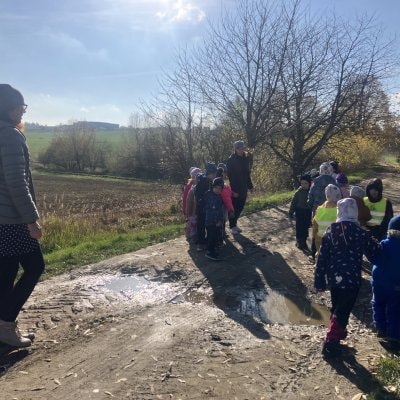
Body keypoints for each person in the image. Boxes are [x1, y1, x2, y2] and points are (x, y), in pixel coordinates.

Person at [0, 84, 45, 347]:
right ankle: (6, 326)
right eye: (21, 106)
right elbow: (17, 183)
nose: (24, 111)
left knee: (5, 275)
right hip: (12, 220)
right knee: (35, 267)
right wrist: (31, 220)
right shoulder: (9, 135)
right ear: (9, 108)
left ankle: (3, 328)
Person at [315, 198, 381, 358]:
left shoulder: (330, 231)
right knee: (343, 310)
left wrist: (319, 280)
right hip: (351, 279)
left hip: (334, 278)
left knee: (337, 307)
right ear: (354, 214)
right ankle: (330, 343)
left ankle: (337, 334)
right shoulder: (359, 232)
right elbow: (374, 251)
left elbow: (321, 257)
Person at [371, 215, 400, 349]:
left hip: (379, 283)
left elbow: (376, 259)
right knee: (395, 310)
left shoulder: (383, 244)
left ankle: (380, 328)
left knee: (378, 305)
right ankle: (394, 336)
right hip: (396, 286)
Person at [226, 140, 253, 235]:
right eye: (239, 148)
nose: (241, 150)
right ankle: (232, 226)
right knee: (234, 207)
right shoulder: (231, 159)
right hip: (235, 187)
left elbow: (247, 173)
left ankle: (235, 223)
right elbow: (229, 175)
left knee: (241, 207)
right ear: (235, 149)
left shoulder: (246, 158)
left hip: (244, 186)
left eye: (242, 148)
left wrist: (250, 186)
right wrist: (233, 190)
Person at [311, 184, 342, 260]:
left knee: (321, 255)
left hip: (320, 238)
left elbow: (315, 225)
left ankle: (319, 264)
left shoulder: (320, 209)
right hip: (335, 239)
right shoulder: (340, 209)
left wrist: (314, 235)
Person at [193, 162, 217, 251]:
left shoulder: (210, 181)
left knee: (208, 225)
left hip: (208, 207)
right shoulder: (202, 181)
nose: (214, 176)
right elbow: (198, 194)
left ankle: (207, 241)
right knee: (201, 225)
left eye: (215, 174)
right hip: (202, 207)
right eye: (213, 174)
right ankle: (200, 243)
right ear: (209, 173)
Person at [288, 174, 312, 251]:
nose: (303, 185)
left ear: (309, 183)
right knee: (299, 227)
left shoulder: (312, 191)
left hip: (308, 212)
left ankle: (304, 241)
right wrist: (291, 212)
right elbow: (293, 202)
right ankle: (299, 241)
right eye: (302, 183)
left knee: (305, 227)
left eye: (305, 183)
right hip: (299, 211)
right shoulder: (298, 192)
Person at [204, 177, 225, 261]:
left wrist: (220, 220)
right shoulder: (211, 197)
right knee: (211, 236)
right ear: (213, 187)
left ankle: (212, 249)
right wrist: (217, 221)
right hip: (211, 221)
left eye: (220, 189)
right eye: (216, 188)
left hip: (216, 221)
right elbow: (212, 211)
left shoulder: (217, 196)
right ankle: (209, 252)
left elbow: (219, 210)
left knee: (215, 236)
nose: (218, 190)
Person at [216, 164, 234, 242]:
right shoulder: (223, 186)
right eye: (225, 173)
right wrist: (231, 209)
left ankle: (221, 233)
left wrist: (232, 193)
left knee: (220, 220)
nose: (226, 174)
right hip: (222, 205)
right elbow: (227, 198)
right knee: (222, 219)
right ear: (222, 174)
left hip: (218, 205)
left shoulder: (216, 183)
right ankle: (221, 233)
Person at [183, 167, 201, 244]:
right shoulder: (189, 187)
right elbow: (185, 200)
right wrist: (186, 211)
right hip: (191, 210)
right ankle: (191, 236)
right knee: (191, 223)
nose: (198, 179)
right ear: (193, 177)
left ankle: (195, 235)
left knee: (196, 223)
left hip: (198, 210)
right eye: (196, 177)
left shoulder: (201, 185)